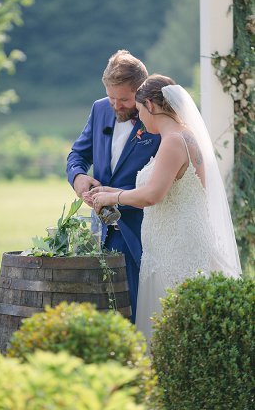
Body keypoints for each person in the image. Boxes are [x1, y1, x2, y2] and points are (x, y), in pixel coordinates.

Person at [88, 75, 241, 340]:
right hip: (177, 241)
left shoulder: (172, 141)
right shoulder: (184, 135)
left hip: (175, 248)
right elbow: (167, 189)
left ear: (151, 105)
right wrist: (108, 191)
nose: (140, 119)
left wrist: (113, 199)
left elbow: (153, 195)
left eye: (139, 111)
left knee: (170, 330)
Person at [66, 50, 157, 324]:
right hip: (100, 230)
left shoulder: (157, 116)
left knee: (137, 313)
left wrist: (116, 197)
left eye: (124, 99)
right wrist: (78, 177)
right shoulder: (99, 108)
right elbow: (77, 155)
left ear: (141, 92)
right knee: (101, 312)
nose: (116, 105)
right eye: (111, 97)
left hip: (140, 231)